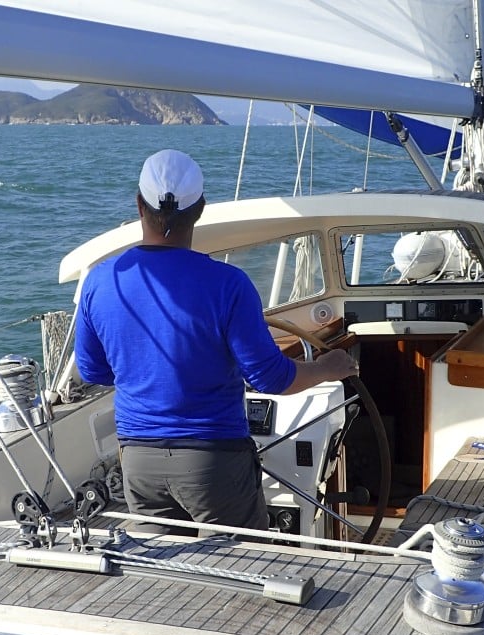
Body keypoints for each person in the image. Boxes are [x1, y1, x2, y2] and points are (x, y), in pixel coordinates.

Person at [74, 149, 358, 537]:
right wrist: (331, 366)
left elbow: (93, 371)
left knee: (162, 573)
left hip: (138, 461)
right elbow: (271, 379)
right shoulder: (229, 285)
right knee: (234, 571)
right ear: (201, 208)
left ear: (139, 204)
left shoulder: (99, 282)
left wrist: (139, 368)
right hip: (213, 462)